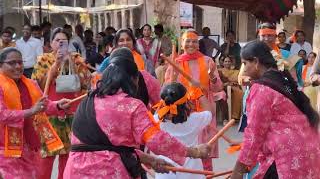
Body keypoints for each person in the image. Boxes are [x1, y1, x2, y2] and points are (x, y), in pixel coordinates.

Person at [63, 53, 212, 179]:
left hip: (75, 170)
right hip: (107, 171)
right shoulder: (131, 106)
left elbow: (113, 147)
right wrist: (193, 152)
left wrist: (151, 160)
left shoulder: (87, 101)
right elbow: (156, 139)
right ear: (132, 79)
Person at [231, 41, 320, 179]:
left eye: (244, 63)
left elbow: (254, 135)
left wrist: (237, 172)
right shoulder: (281, 79)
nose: (244, 69)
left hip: (287, 159)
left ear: (255, 62)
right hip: (309, 154)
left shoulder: (261, 89)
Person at [0, 47, 71, 178]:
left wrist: (58, 106)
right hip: (5, 148)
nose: (17, 66)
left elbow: (43, 106)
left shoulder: (30, 84)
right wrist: (31, 111)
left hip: (30, 146)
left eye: (20, 62)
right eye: (11, 63)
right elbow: (2, 114)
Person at [31, 27, 92, 179]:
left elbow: (84, 83)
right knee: (46, 158)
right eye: (57, 40)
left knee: (69, 159)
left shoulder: (76, 58)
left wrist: (70, 62)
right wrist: (55, 65)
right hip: (50, 115)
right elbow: (38, 86)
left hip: (72, 114)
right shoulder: (43, 60)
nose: (60, 44)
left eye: (63, 41)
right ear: (50, 43)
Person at [165, 29, 224, 171]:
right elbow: (166, 89)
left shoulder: (207, 60)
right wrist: (172, 80)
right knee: (185, 150)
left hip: (205, 111)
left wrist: (212, 77)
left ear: (198, 44)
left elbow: (217, 88)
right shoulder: (175, 63)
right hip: (184, 112)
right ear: (182, 43)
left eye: (194, 41)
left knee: (205, 151)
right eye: (188, 41)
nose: (191, 44)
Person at [154, 83, 213, 179]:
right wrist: (199, 93)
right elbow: (209, 111)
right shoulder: (195, 119)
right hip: (192, 173)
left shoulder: (156, 121)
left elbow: (157, 115)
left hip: (166, 172)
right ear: (186, 102)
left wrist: (161, 106)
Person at [218, 56, 243, 121]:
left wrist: (231, 81)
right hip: (224, 87)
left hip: (234, 86)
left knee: (240, 92)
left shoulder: (236, 71)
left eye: (229, 61)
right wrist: (228, 82)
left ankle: (236, 116)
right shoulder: (219, 71)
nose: (227, 63)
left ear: (231, 63)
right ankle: (232, 116)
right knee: (236, 92)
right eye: (225, 61)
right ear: (222, 63)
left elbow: (237, 79)